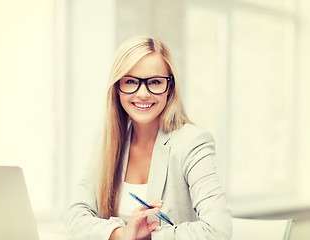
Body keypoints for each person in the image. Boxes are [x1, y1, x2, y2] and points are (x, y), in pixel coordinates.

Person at [65, 36, 232, 240]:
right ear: (117, 88)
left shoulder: (192, 142)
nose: (143, 93)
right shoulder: (107, 143)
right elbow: (75, 221)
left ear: (169, 87)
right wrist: (123, 234)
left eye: (154, 82)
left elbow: (218, 230)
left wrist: (149, 237)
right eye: (131, 82)